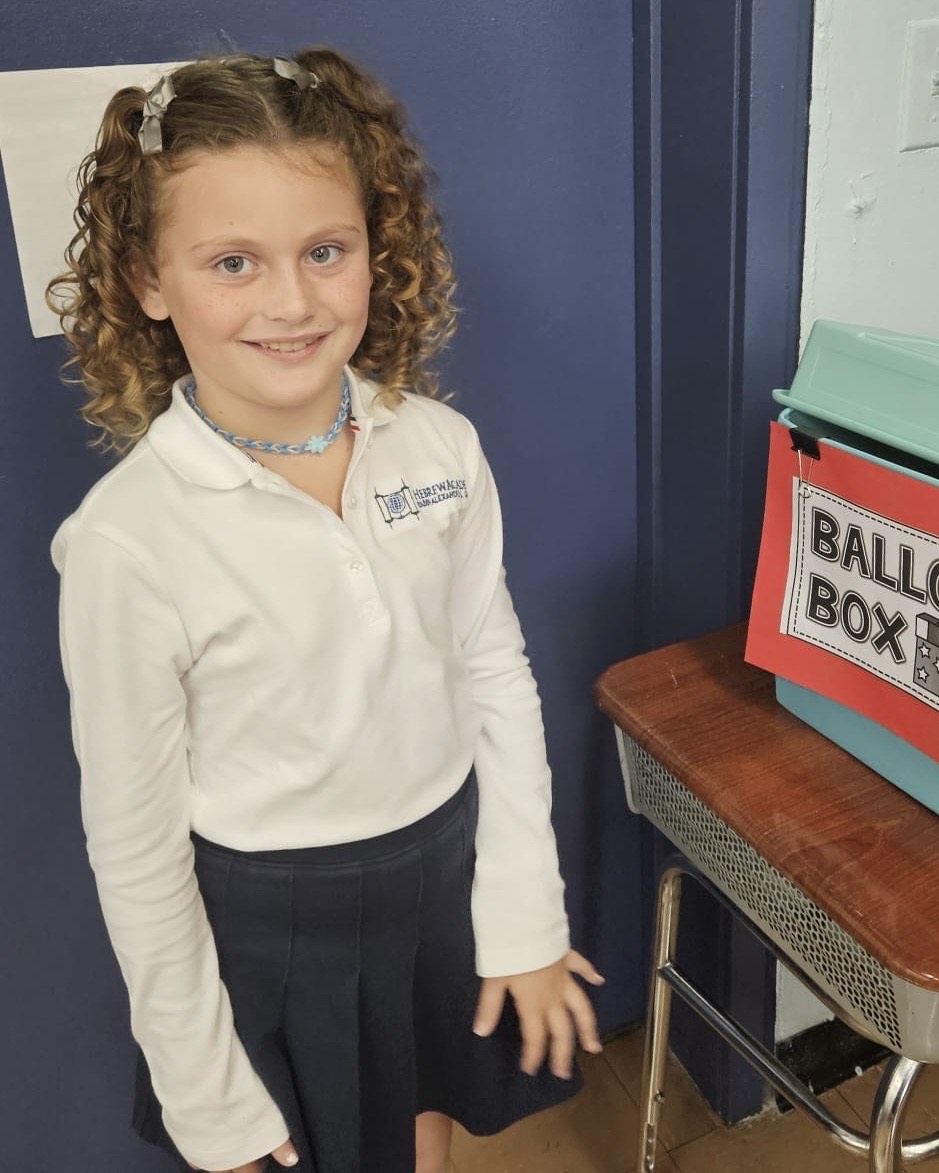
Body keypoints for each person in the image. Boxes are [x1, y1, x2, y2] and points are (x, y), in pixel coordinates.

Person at [47, 48, 603, 1173]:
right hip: (271, 927)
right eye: (233, 262)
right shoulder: (129, 541)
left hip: (439, 876)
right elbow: (137, 845)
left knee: (417, 1130)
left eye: (325, 251)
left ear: (373, 251)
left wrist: (523, 916)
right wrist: (207, 1098)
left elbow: (492, 673)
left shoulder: (438, 447)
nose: (292, 302)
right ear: (150, 282)